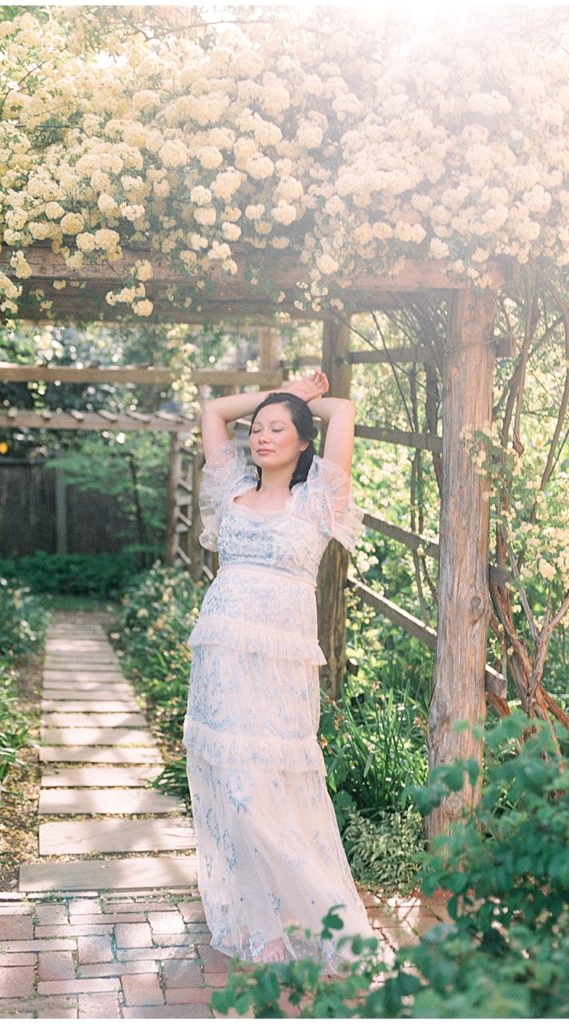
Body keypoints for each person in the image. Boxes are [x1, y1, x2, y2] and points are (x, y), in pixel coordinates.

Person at [181, 370, 377, 972]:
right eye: (259, 428)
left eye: (278, 429)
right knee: (229, 784)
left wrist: (306, 400)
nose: (262, 436)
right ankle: (255, 923)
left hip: (282, 663)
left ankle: (318, 913)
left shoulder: (320, 497)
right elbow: (215, 409)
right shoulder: (232, 485)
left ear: (301, 440)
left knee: (265, 788)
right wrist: (280, 391)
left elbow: (342, 410)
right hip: (221, 655)